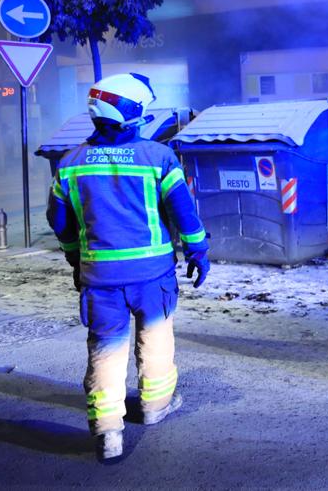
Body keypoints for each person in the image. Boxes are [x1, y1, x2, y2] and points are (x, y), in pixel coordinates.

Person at [46, 73, 210, 460]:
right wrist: (198, 253)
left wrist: (75, 258)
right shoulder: (158, 157)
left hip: (100, 277)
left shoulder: (69, 163)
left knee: (107, 348)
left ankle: (108, 432)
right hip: (152, 276)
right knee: (156, 341)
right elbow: (184, 213)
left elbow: (60, 222)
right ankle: (155, 407)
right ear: (133, 112)